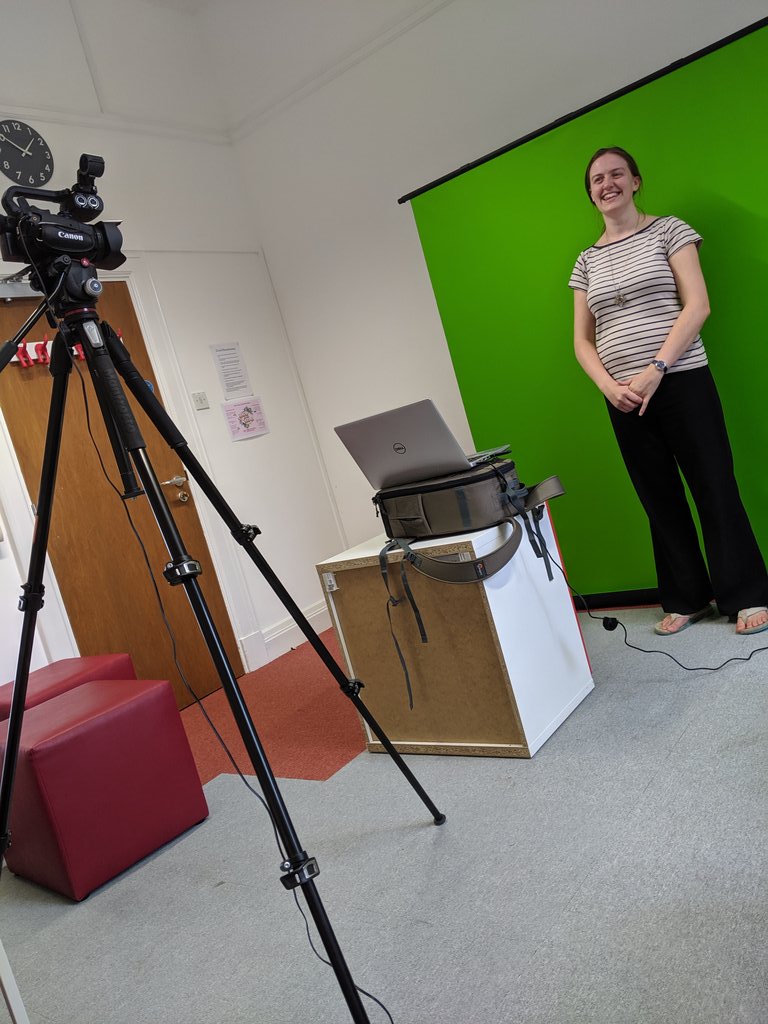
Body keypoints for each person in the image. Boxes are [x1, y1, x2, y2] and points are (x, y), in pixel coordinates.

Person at [569, 146, 768, 636]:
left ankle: (746, 595)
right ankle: (687, 597)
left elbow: (697, 305)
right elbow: (580, 340)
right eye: (597, 179)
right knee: (658, 497)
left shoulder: (669, 230)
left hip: (681, 380)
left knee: (714, 485)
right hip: (623, 399)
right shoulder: (585, 261)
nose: (607, 183)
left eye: (617, 174)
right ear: (590, 193)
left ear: (636, 181)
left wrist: (657, 367)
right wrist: (609, 387)